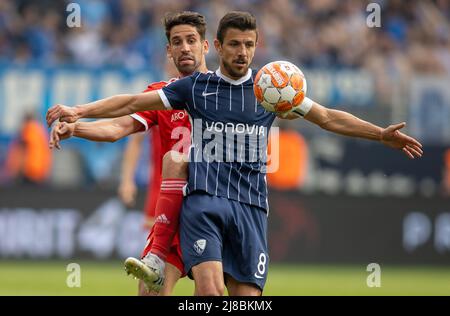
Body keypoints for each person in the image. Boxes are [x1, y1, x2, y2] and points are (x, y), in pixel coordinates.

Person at [46, 11, 423, 296]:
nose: (242, 52)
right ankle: (159, 254)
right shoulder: (194, 88)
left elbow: (327, 118)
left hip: (251, 208)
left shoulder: (270, 88)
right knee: (208, 293)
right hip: (203, 203)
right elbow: (129, 103)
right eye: (235, 44)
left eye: (249, 45)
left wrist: (379, 134)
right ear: (220, 46)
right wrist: (80, 112)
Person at [48, 11, 210, 295]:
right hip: (174, 210)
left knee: (212, 291)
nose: (184, 47)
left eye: (191, 40)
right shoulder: (162, 94)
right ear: (168, 51)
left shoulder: (227, 91)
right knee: (148, 291)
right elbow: (117, 128)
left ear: (205, 46)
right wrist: (76, 129)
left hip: (213, 208)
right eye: (177, 42)